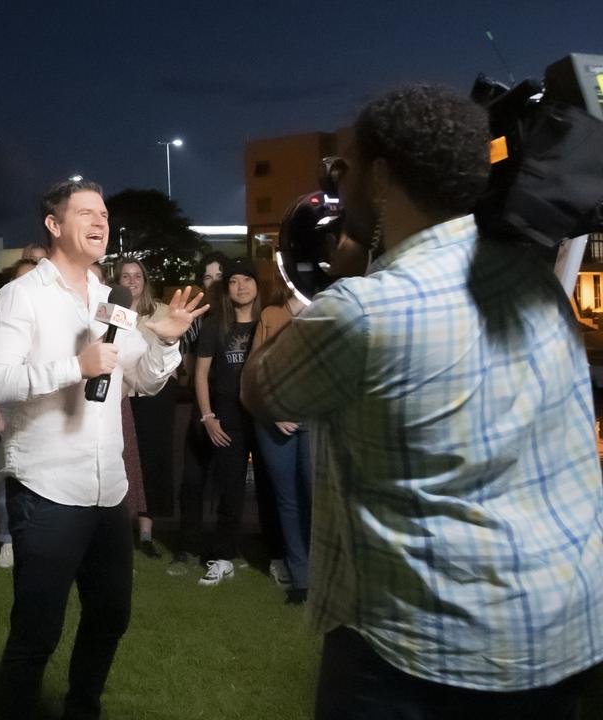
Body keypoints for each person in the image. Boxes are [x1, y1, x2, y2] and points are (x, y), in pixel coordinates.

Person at [241, 84, 603, 719]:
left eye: (343, 167)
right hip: (561, 634)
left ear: (380, 178)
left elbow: (261, 389)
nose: (337, 182)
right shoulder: (532, 282)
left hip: (422, 652)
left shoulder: (364, 311)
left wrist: (345, 275)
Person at [0, 178, 206, 719]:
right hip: (47, 488)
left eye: (103, 213)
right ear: (55, 226)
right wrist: (71, 368)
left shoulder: (113, 301)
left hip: (108, 493)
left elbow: (142, 380)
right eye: (85, 212)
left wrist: (167, 340)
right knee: (37, 631)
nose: (100, 221)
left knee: (110, 618)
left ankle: (83, 708)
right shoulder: (22, 296)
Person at [179, 257, 260, 587]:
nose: (241, 287)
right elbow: (199, 374)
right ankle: (223, 556)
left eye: (247, 280)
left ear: (257, 285)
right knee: (229, 489)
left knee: (268, 490)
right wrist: (209, 416)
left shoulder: (266, 322)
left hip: (261, 417)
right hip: (226, 417)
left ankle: (277, 556)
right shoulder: (215, 324)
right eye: (234, 281)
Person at [250, 260, 311, 605]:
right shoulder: (271, 316)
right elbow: (255, 371)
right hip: (275, 420)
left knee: (315, 496)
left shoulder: (327, 313)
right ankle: (300, 579)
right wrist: (273, 412)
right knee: (287, 501)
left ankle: (324, 574)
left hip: (313, 418)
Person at [166, 252, 225, 577]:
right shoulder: (197, 319)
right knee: (192, 478)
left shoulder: (242, 315)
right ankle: (187, 547)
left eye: (219, 276)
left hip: (234, 404)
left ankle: (222, 549)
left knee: (229, 482)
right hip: (202, 405)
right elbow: (186, 361)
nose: (213, 283)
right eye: (207, 277)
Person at [117, 259, 181, 559]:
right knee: (125, 460)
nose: (131, 281)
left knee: (152, 461)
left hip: (156, 397)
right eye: (125, 276)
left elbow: (172, 349)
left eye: (137, 275)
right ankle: (118, 529)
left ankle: (146, 533)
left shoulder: (161, 310)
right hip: (122, 396)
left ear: (145, 279)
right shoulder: (111, 311)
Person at [0, 258, 41, 570]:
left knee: (39, 479)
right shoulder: (0, 320)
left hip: (41, 409)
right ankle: (7, 541)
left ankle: (35, 541)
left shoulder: (49, 317)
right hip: (9, 407)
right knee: (6, 477)